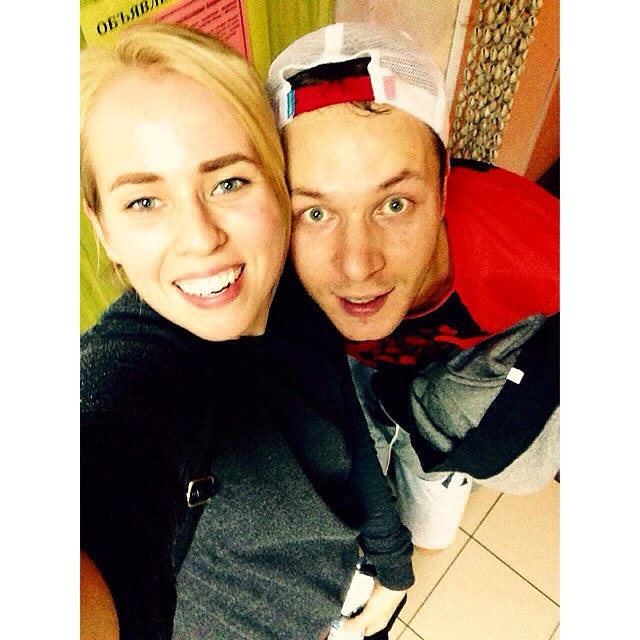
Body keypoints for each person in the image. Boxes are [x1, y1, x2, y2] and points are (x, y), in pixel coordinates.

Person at [80, 22, 414, 640]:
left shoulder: (291, 286)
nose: (200, 238)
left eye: (228, 181)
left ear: (277, 185)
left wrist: (391, 561)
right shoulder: (145, 366)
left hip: (345, 592)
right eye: (143, 201)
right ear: (104, 230)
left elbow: (347, 432)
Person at [266, 22, 559, 553]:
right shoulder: (271, 269)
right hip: (355, 381)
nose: (357, 266)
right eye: (315, 212)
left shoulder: (531, 246)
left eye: (394, 204)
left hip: (451, 386)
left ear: (443, 184)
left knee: (431, 533)